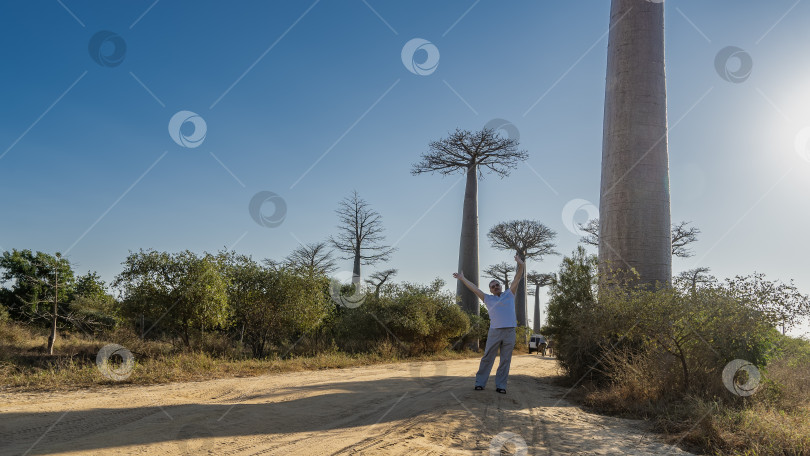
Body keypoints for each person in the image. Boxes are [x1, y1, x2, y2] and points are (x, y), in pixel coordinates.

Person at [453, 254, 525, 394]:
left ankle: (501, 386)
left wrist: (521, 265)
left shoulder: (510, 294)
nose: (496, 287)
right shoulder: (487, 299)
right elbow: (474, 288)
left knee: (505, 360)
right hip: (495, 332)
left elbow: (517, 278)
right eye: (493, 286)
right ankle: (480, 383)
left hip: (510, 332)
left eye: (497, 285)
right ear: (491, 290)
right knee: (487, 358)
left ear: (500, 286)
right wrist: (462, 279)